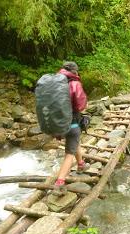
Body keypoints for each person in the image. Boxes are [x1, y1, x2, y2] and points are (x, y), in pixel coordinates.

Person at [53, 61, 89, 196]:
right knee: (69, 154)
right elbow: (81, 106)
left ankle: (81, 164)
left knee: (75, 142)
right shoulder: (75, 83)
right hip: (72, 123)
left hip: (56, 124)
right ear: (75, 72)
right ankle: (59, 183)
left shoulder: (54, 84)